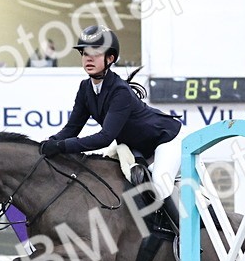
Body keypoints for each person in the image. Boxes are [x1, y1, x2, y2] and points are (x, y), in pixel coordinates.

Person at [39, 25, 182, 228]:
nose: (88, 59)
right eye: (85, 53)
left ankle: (184, 240)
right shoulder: (85, 88)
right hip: (137, 146)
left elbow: (105, 137)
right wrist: (51, 142)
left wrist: (62, 147)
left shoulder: (120, 91)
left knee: (159, 182)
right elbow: (72, 128)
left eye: (95, 54)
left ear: (110, 58)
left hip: (166, 140)